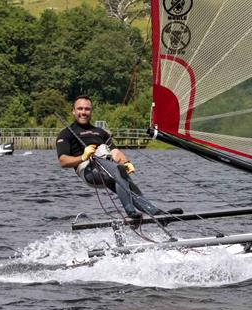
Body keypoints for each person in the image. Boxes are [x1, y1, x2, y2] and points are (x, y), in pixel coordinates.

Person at [57, 95, 168, 224]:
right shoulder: (66, 133)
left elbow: (115, 152)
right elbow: (63, 161)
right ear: (73, 111)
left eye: (87, 109)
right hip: (88, 170)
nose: (83, 112)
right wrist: (83, 157)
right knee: (117, 170)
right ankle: (131, 212)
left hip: (108, 167)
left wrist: (126, 162)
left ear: (91, 111)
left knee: (127, 182)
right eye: (80, 109)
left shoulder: (101, 132)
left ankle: (157, 214)